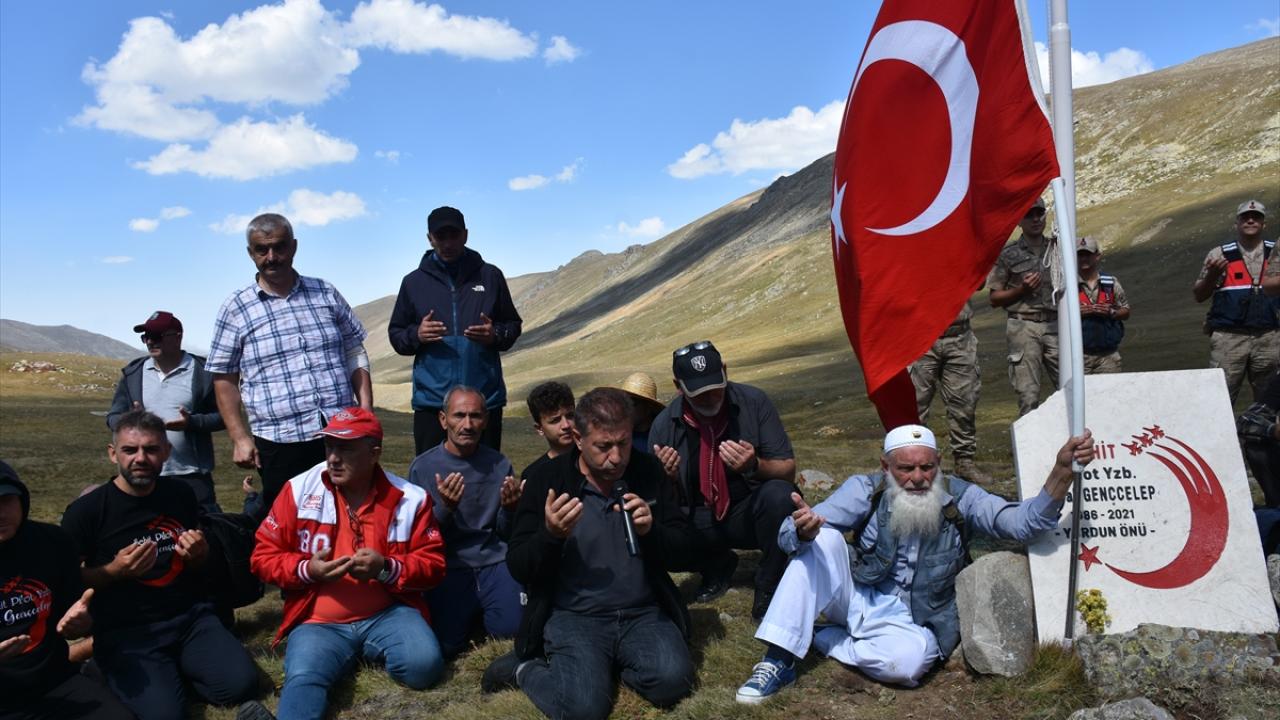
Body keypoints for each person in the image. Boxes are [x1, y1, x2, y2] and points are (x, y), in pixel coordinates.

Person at [734, 425, 1095, 703]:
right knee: (823, 538)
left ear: (939, 463)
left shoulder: (961, 496)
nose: (919, 478)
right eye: (906, 469)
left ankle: (823, 637)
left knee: (907, 666)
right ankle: (777, 660)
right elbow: (793, 532)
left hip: (914, 619)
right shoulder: (865, 490)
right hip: (859, 596)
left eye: (927, 467)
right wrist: (803, 530)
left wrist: (1061, 472)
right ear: (885, 466)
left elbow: (1021, 524)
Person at [482, 388, 698, 720]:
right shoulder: (544, 480)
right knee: (584, 710)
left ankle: (602, 668)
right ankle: (525, 670)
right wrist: (551, 535)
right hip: (574, 617)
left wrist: (651, 531)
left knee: (675, 682)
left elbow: (686, 549)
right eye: (604, 446)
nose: (616, 457)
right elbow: (519, 565)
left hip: (641, 613)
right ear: (578, 440)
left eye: (624, 443)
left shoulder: (648, 471)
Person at [60, 410, 261, 720]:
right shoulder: (86, 512)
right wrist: (114, 571)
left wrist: (200, 555)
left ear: (166, 452)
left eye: (151, 449)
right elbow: (66, 580)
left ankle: (167, 676)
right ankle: (108, 670)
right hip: (128, 631)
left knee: (241, 686)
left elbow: (198, 563)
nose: (140, 458)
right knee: (165, 715)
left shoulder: (180, 494)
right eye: (130, 450)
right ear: (113, 453)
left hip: (190, 618)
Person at [250, 408, 446, 720]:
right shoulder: (298, 489)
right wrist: (307, 570)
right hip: (318, 621)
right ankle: (328, 663)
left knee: (424, 667)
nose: (333, 458)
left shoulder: (411, 499)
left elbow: (433, 565)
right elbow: (263, 557)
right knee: (304, 678)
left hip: (387, 614)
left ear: (374, 454)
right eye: (329, 446)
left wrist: (386, 568)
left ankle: (349, 655)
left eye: (346, 448)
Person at [207, 213, 373, 508]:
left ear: (294, 246)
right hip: (279, 441)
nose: (272, 257)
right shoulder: (236, 308)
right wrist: (240, 438)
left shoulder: (325, 292)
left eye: (279, 247)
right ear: (250, 253)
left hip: (340, 431)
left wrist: (366, 410)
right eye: (262, 250)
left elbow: (354, 352)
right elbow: (224, 378)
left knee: (352, 511)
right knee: (291, 520)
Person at [649, 340, 798, 618]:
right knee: (653, 527)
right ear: (678, 386)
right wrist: (667, 479)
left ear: (725, 371)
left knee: (780, 495)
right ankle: (715, 566)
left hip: (748, 514)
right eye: (699, 393)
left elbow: (787, 470)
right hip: (698, 522)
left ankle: (769, 584)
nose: (710, 398)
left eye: (715, 387)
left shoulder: (754, 402)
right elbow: (659, 502)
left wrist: (754, 465)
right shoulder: (664, 425)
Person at [1, 461, 133, 720]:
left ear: (22, 500)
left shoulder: (51, 544)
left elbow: (74, 616)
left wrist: (81, 623)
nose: (1, 513)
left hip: (54, 683)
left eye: (6, 500)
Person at [388, 206, 523, 455]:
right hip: (433, 403)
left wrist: (495, 335)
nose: (448, 243)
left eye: (454, 235)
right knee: (431, 473)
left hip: (483, 402)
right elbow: (396, 335)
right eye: (441, 236)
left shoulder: (490, 276)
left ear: (466, 235)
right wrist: (417, 335)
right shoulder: (413, 282)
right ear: (430, 238)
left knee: (485, 473)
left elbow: (512, 325)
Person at [409, 386, 523, 657]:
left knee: (512, 631)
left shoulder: (499, 464)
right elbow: (418, 538)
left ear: (486, 420)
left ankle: (487, 609)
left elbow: (504, 532)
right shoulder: (422, 468)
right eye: (459, 415)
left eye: (475, 416)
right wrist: (446, 509)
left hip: (494, 561)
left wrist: (510, 509)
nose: (468, 425)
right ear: (443, 419)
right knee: (445, 645)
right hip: (449, 564)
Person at [108, 310, 225, 513]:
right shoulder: (133, 373)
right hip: (144, 471)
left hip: (192, 474)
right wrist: (132, 421)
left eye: (157, 336)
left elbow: (224, 417)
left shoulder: (203, 372)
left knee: (200, 526)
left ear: (178, 337)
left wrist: (191, 423)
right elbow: (113, 416)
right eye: (146, 337)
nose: (150, 341)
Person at [1192, 199, 1280, 404]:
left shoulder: (1275, 252)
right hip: (1229, 337)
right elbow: (1199, 295)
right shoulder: (1219, 254)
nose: (1250, 220)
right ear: (1237, 223)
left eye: (1256, 217)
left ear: (1264, 223)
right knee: (1220, 398)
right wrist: (1212, 275)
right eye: (1245, 217)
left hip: (1270, 337)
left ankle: (1264, 427)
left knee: (1271, 400)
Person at [988, 197, 1060, 416]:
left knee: (1070, 387)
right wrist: (1021, 290)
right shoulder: (1008, 254)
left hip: (1056, 326)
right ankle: (1031, 437)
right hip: (1023, 327)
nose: (1035, 219)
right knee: (1028, 395)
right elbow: (994, 298)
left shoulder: (1059, 249)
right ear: (1019, 220)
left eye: (1039, 214)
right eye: (1029, 215)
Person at [908, 300, 991, 484]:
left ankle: (964, 462)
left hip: (959, 336)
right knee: (914, 405)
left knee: (964, 404)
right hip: (920, 334)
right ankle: (912, 463)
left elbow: (978, 285)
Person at [1076, 236, 1131, 374]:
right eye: (1080, 255)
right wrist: (1075, 314)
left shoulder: (1111, 283)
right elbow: (1055, 315)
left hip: (1108, 356)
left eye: (1088, 254)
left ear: (1097, 256)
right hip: (1078, 357)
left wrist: (1112, 312)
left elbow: (1126, 311)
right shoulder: (1067, 286)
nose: (1084, 259)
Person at [520, 381, 576, 481]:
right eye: (555, 420)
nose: (566, 425)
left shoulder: (596, 459)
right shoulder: (534, 475)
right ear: (539, 429)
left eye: (570, 416)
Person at [614, 372, 666, 454]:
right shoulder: (615, 433)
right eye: (623, 402)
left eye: (632, 403)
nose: (625, 408)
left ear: (649, 407)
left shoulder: (663, 436)